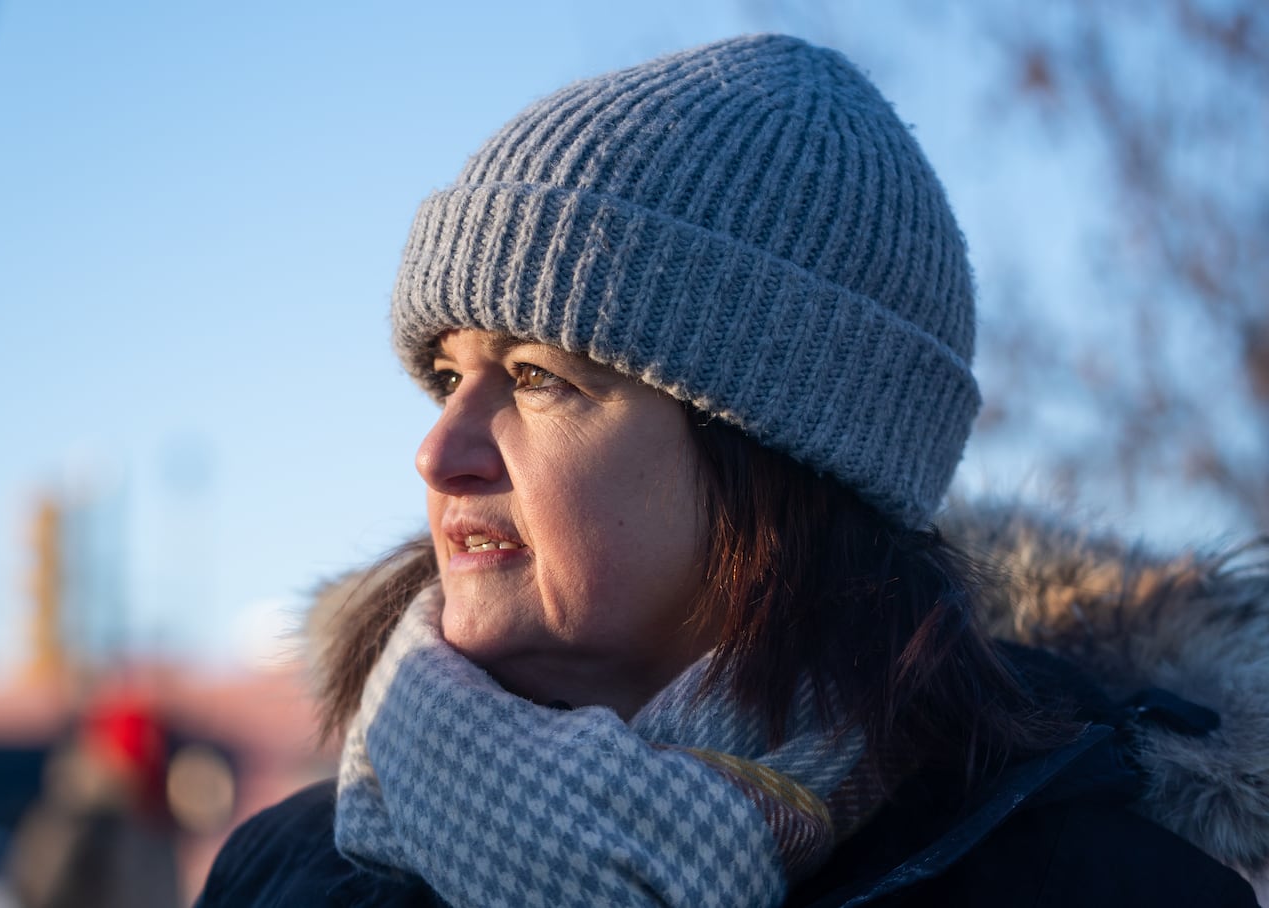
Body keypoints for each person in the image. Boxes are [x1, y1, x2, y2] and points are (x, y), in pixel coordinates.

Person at [196, 34, 1265, 907]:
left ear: (781, 451)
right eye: (446, 375)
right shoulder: (288, 871)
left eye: (534, 377)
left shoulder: (1098, 887)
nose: (440, 450)